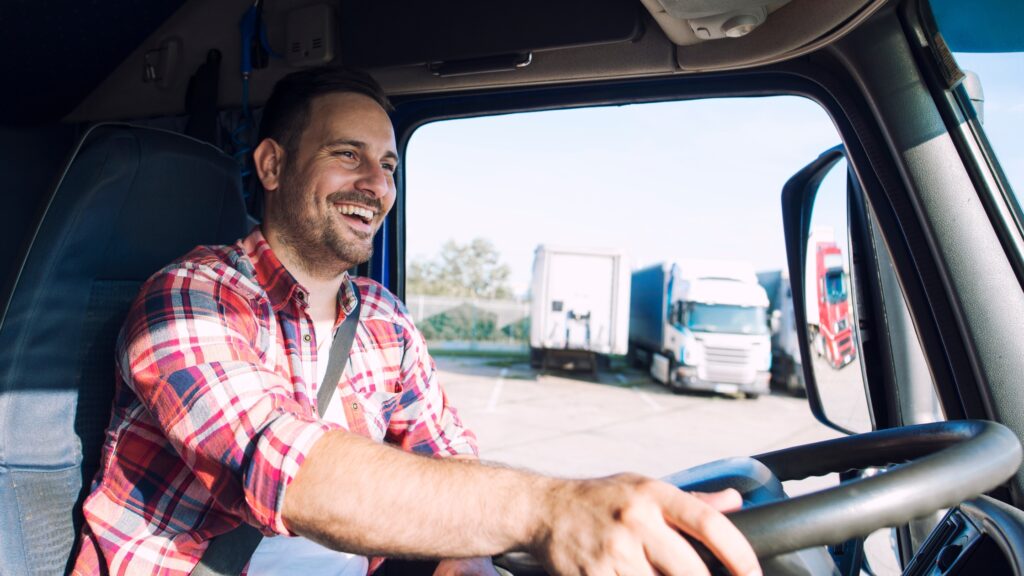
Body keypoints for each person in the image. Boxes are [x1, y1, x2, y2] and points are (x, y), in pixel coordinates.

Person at [72, 66, 761, 576]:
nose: (376, 185)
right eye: (348, 155)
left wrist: (465, 562)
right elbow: (287, 469)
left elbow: (447, 463)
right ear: (274, 164)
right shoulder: (189, 295)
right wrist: (552, 508)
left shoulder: (383, 320)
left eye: (389, 165)